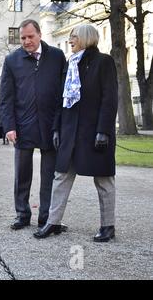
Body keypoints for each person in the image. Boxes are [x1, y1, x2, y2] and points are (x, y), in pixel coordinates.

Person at [34, 24, 118, 242]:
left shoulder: (104, 62)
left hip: (95, 133)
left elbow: (110, 99)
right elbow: (63, 101)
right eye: (70, 36)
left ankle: (108, 226)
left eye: (74, 37)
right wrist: (56, 128)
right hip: (70, 133)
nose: (70, 40)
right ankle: (53, 222)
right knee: (61, 177)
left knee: (104, 180)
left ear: (86, 38)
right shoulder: (71, 63)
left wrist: (104, 131)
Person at [0, 19, 66, 230]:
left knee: (49, 175)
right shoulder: (12, 60)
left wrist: (61, 123)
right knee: (22, 174)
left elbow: (63, 92)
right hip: (22, 126)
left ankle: (46, 217)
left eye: (30, 36)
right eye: (23, 38)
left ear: (39, 34)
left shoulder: (56, 56)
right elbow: (6, 98)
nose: (27, 41)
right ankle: (22, 214)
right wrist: (9, 126)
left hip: (50, 125)